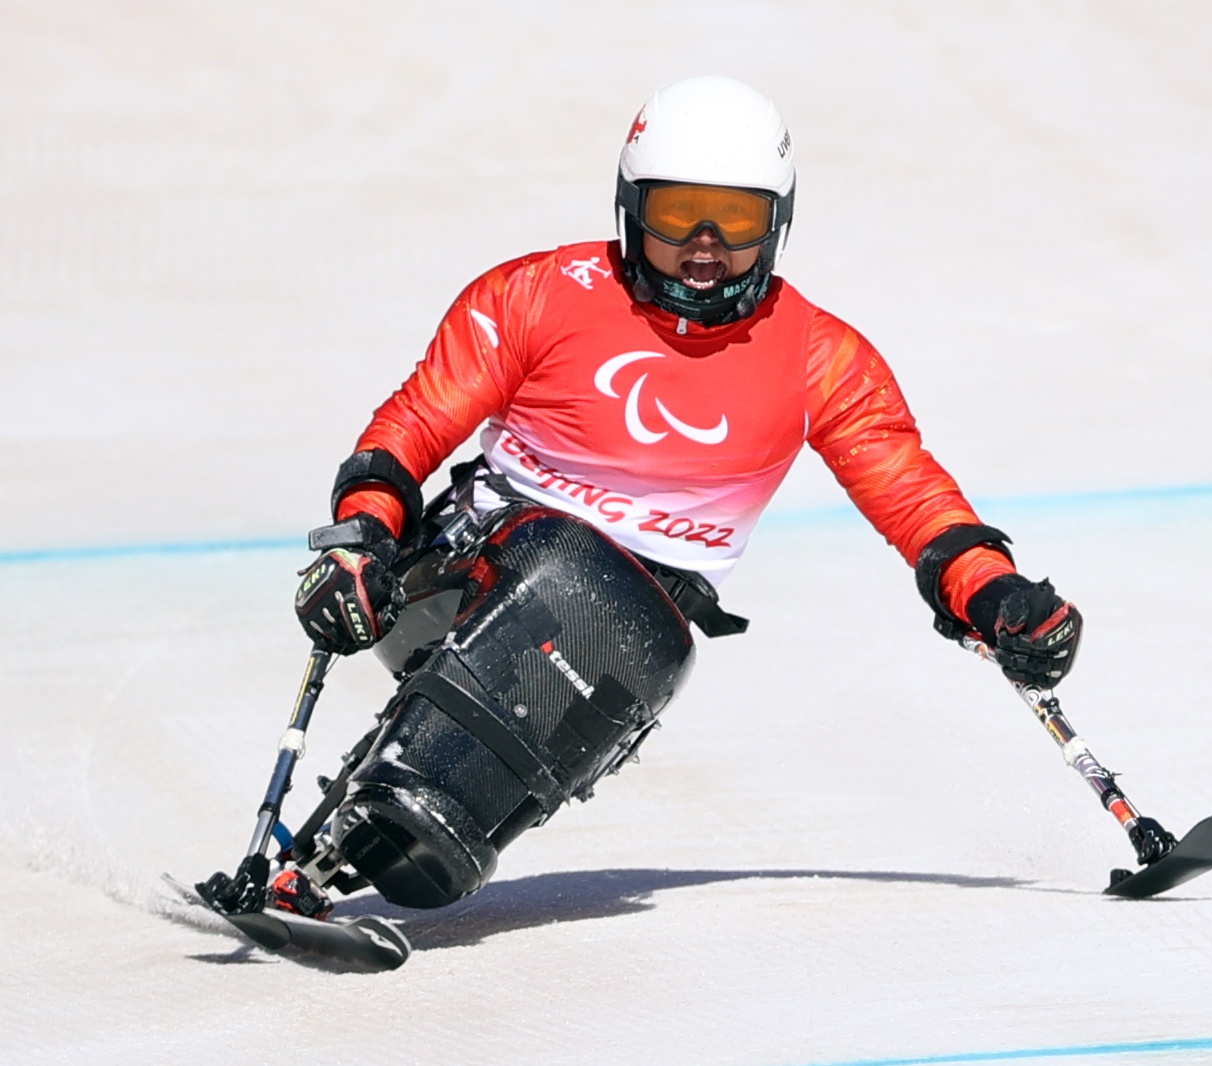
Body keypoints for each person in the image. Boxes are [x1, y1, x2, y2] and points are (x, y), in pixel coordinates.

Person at [278, 75, 1082, 917]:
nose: (705, 246)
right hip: (457, 573)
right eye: (676, 216)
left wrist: (989, 590)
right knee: (564, 574)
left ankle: (349, 854)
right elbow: (415, 421)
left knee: (621, 628)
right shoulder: (536, 296)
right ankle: (387, 817)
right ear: (631, 208)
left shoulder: (818, 356)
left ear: (776, 224)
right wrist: (361, 538)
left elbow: (908, 490)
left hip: (616, 641)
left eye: (735, 221)